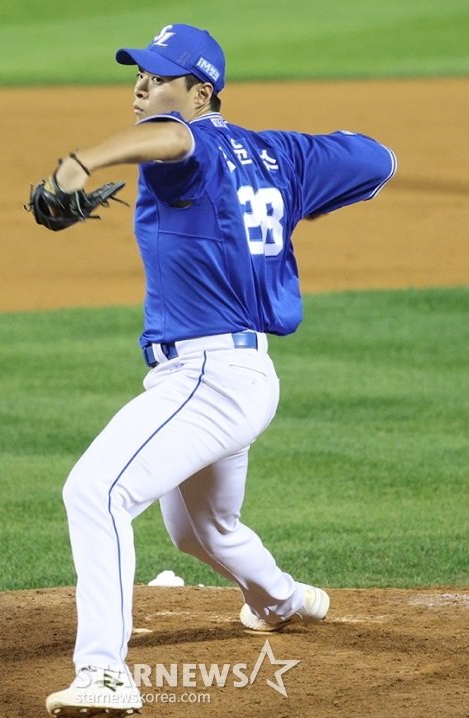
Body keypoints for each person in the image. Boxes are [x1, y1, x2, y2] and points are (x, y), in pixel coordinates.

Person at [45, 23, 397, 717]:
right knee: (200, 530)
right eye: (139, 73)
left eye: (160, 77)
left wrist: (80, 163)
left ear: (201, 92)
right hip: (243, 376)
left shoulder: (188, 141)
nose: (141, 86)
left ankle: (103, 672)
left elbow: (179, 140)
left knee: (96, 492)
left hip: (208, 379)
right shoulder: (280, 155)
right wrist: (282, 164)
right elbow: (378, 160)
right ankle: (279, 599)